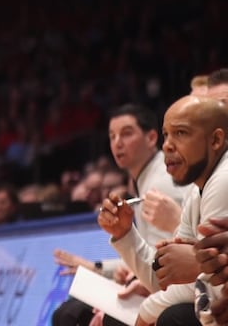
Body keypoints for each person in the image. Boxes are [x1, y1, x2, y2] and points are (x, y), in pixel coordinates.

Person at [51, 103, 187, 326]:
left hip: (174, 290)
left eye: (126, 134)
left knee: (71, 315)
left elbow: (158, 263)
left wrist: (131, 281)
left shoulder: (160, 184)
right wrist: (97, 268)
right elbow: (148, 256)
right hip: (159, 283)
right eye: (112, 136)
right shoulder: (148, 178)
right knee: (71, 311)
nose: (117, 143)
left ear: (152, 138)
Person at [99, 95, 228, 326]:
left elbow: (213, 284)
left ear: (216, 140)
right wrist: (125, 234)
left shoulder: (222, 180)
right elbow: (166, 278)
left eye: (181, 133)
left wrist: (148, 311)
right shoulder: (196, 189)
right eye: (166, 134)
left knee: (173, 318)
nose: (167, 145)